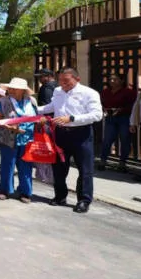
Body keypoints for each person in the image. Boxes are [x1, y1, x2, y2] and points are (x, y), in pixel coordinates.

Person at [38, 67, 103, 213]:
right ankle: (60, 196)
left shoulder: (89, 93)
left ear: (77, 79)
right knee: (59, 168)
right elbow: (51, 107)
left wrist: (72, 118)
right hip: (61, 134)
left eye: (66, 81)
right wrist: (33, 110)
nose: (62, 84)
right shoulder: (57, 91)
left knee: (85, 170)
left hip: (82, 135)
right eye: (60, 80)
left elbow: (97, 115)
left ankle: (84, 200)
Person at [0, 78, 37, 203]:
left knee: (26, 166)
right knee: (8, 165)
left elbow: (36, 117)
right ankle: (4, 190)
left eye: (14, 88)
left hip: (27, 138)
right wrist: (7, 125)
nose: (10, 90)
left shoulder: (31, 101)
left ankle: (25, 192)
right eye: (10, 88)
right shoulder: (3, 101)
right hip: (8, 138)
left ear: (22, 90)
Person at [99, 74, 136, 172]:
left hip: (124, 118)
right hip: (110, 118)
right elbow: (100, 103)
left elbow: (133, 105)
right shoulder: (105, 92)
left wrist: (121, 110)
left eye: (115, 79)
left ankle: (122, 163)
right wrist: (104, 109)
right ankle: (103, 161)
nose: (112, 81)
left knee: (125, 140)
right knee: (107, 139)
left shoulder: (128, 92)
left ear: (122, 81)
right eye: (110, 79)